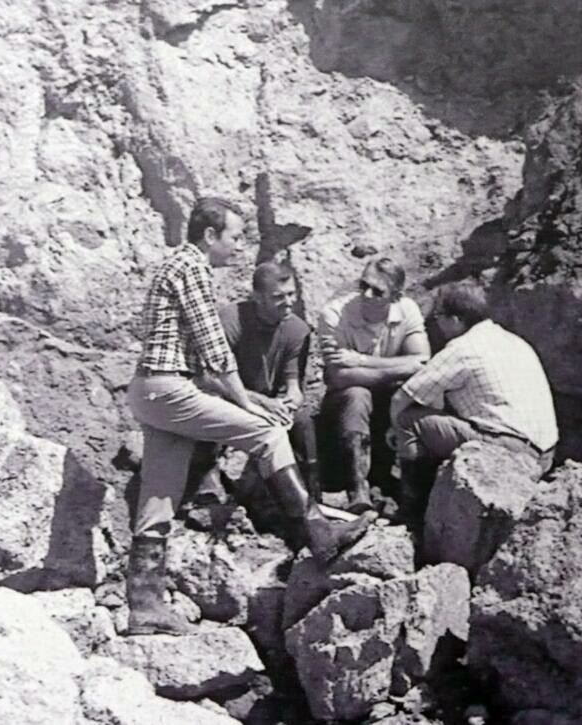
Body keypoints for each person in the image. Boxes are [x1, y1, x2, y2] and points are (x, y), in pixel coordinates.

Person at [126, 197, 370, 636]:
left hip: (150, 388)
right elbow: (215, 351)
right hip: (168, 385)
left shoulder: (172, 266)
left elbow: (171, 340)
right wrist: (248, 404)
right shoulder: (192, 267)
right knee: (269, 433)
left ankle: (144, 605)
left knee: (159, 495)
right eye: (235, 237)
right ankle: (318, 532)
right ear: (209, 236)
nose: (239, 248)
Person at [389, 281, 559, 522]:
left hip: (509, 450)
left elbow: (401, 397)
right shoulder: (513, 340)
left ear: (456, 320)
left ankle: (412, 512)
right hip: (545, 455)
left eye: (439, 316)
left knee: (408, 421)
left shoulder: (463, 348)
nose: (436, 323)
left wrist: (393, 430)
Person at [319, 258, 430, 513]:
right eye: (363, 285)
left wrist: (360, 361)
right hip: (344, 407)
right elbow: (338, 377)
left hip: (388, 401)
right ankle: (357, 489)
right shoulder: (335, 314)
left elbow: (424, 363)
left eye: (378, 291)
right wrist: (396, 369)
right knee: (358, 395)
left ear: (395, 297)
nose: (367, 294)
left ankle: (410, 490)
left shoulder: (407, 310)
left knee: (412, 393)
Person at [217, 261, 321, 499]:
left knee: (303, 420)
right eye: (278, 297)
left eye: (291, 294)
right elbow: (213, 380)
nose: (288, 302)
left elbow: (293, 385)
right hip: (231, 399)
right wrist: (261, 402)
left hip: (270, 405)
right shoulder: (231, 321)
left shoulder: (297, 330)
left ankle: (312, 497)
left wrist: (290, 402)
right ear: (257, 297)